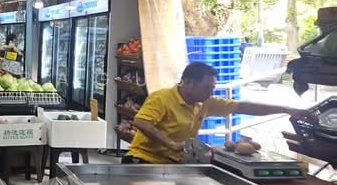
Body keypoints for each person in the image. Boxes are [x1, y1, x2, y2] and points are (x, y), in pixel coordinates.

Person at [123, 62, 313, 164]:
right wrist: (171, 144)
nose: (211, 92)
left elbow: (244, 107)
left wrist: (286, 109)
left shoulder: (205, 102)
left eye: (213, 87)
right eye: (207, 87)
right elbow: (141, 122)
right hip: (143, 160)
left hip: (174, 164)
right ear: (188, 83)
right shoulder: (162, 98)